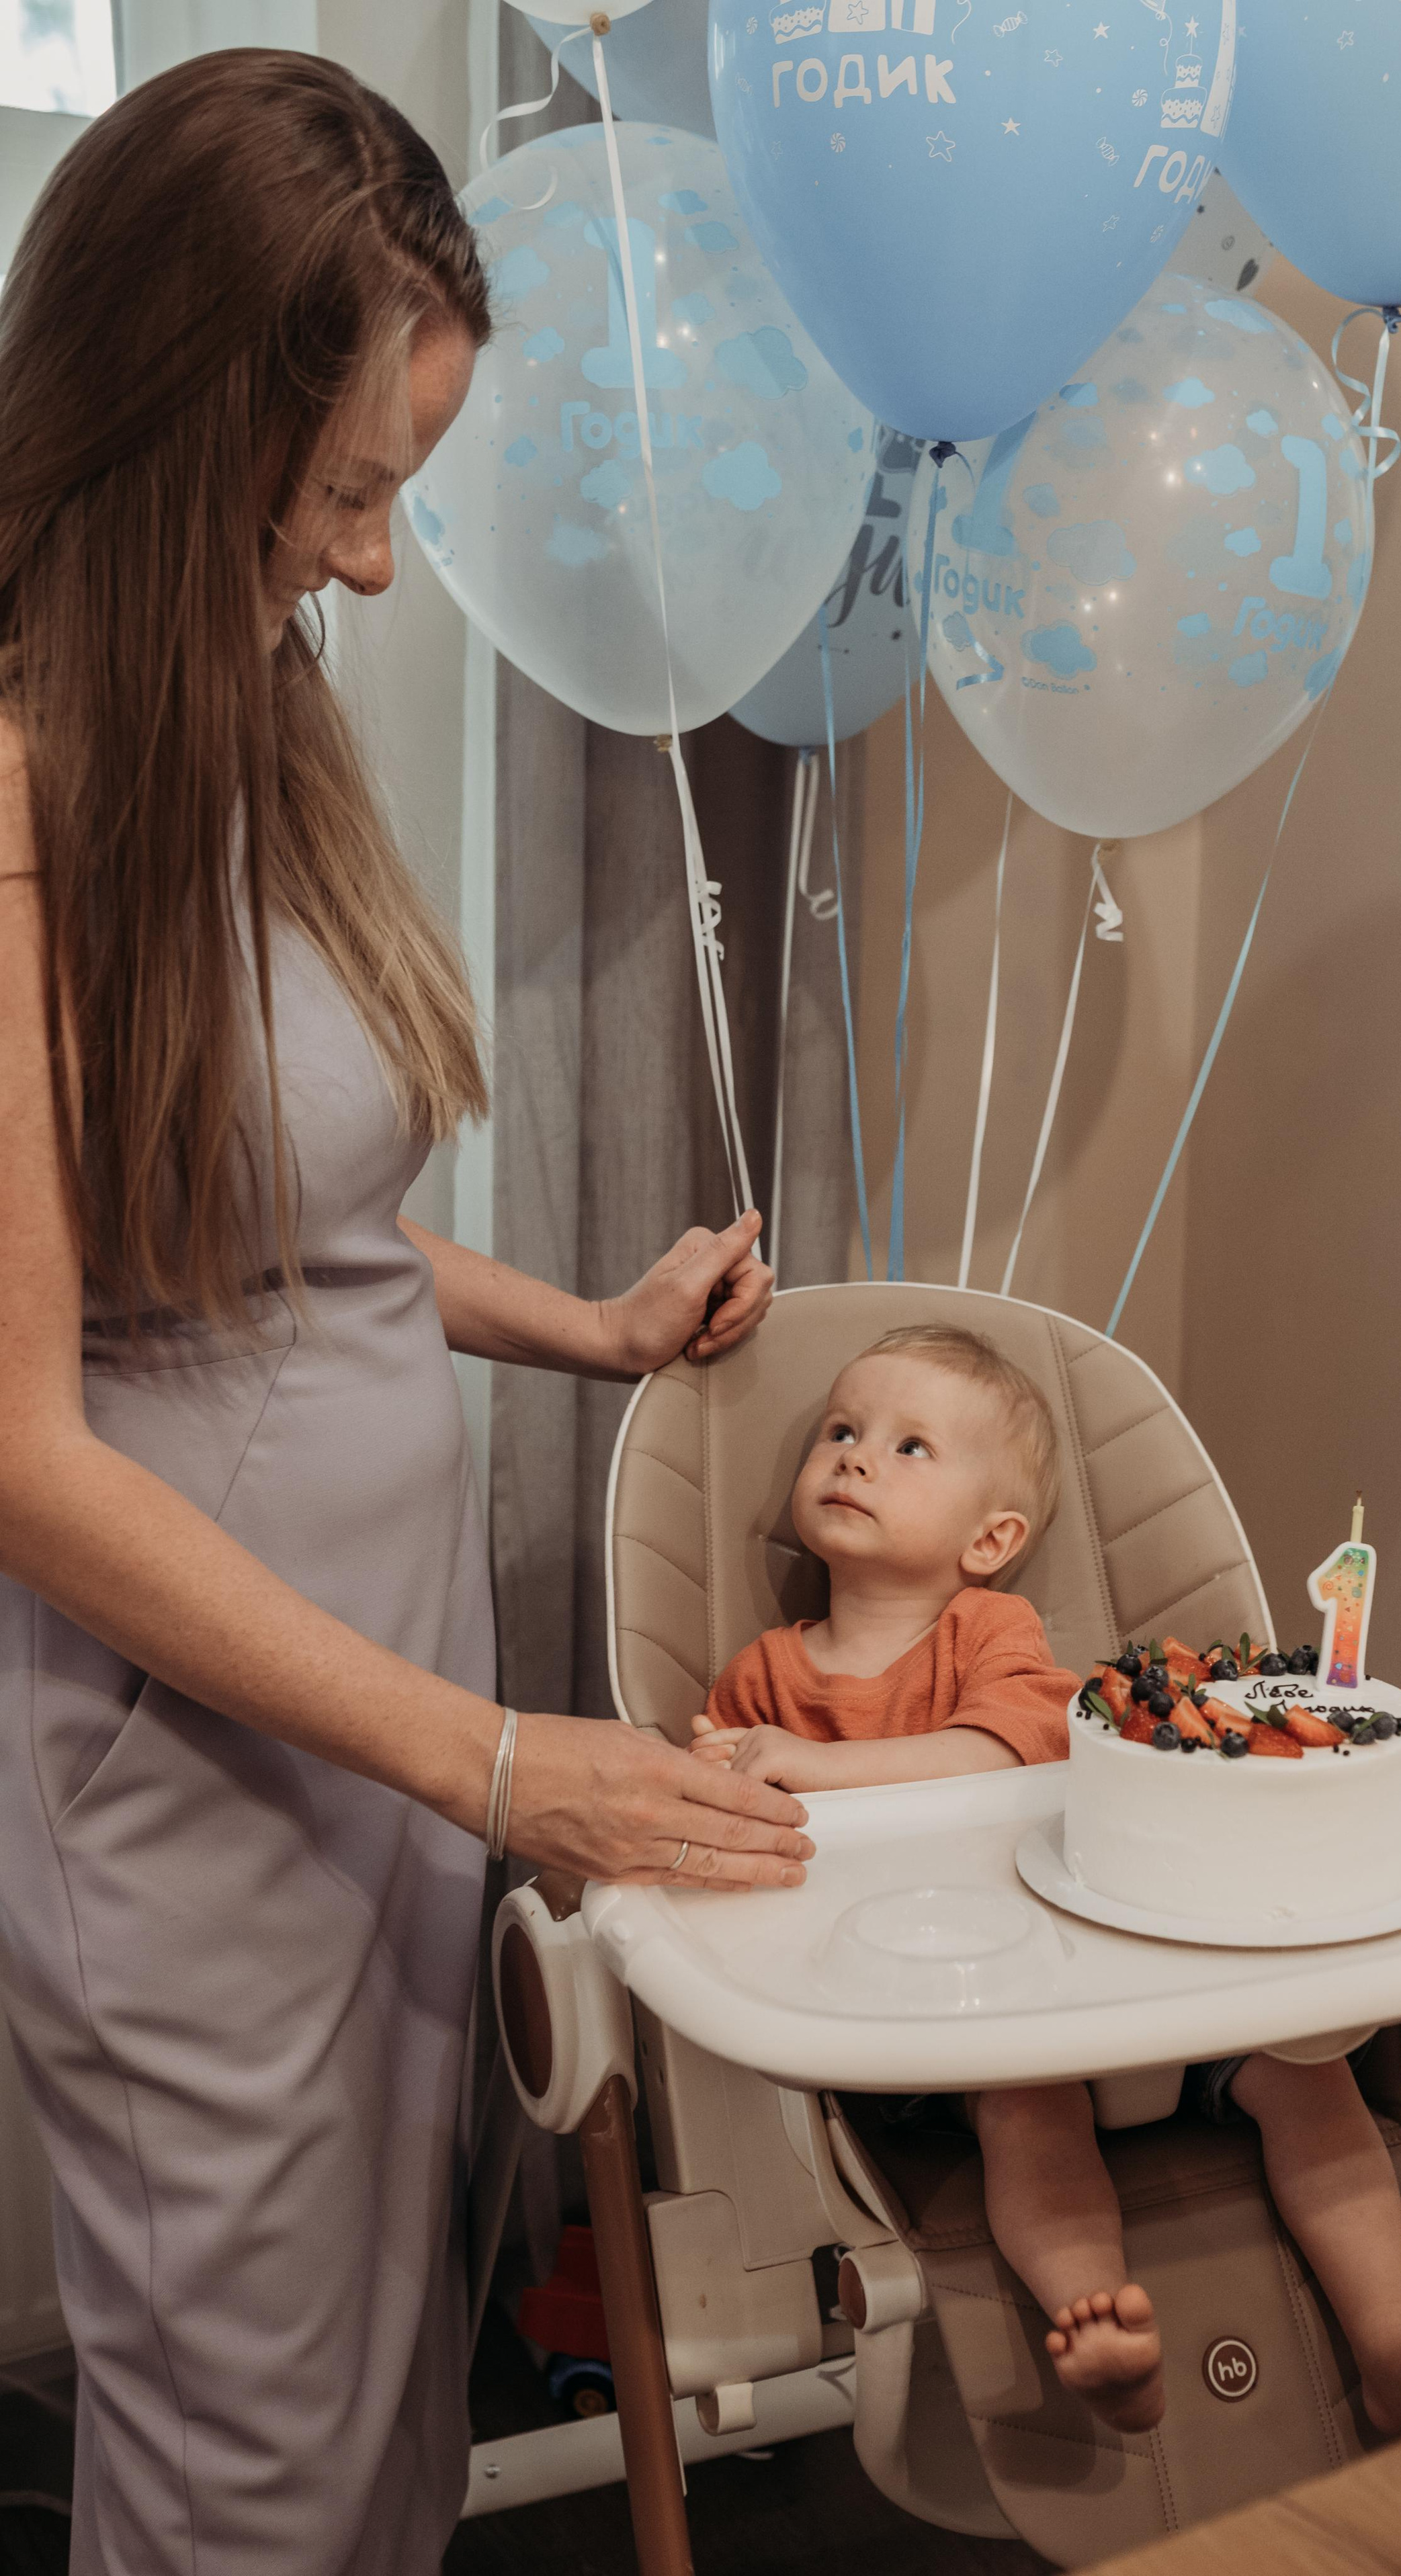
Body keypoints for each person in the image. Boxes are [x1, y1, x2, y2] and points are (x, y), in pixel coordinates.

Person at [0, 50, 814, 2576]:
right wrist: (501, 1766)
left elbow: (281, 1229)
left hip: (386, 1709)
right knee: (245, 2473)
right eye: (347, 492)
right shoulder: (15, 799)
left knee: (389, 2431)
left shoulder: (246, 697)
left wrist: (592, 1327)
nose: (372, 568)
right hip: (200, 1764)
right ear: (171, 426)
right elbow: (24, 1453)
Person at [693, 1324, 1401, 2437]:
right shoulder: (762, 1675)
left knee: (1307, 2074)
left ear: (993, 1538)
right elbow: (717, 1815)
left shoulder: (989, 1630)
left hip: (1122, 1983)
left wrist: (817, 1769)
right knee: (1029, 2116)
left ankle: (1393, 2344)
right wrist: (718, 1769)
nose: (854, 1455)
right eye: (841, 1430)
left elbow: (1011, 1749)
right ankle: (1097, 2328)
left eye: (908, 1446)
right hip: (957, 2016)